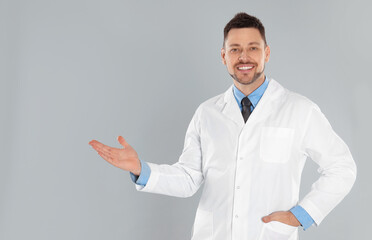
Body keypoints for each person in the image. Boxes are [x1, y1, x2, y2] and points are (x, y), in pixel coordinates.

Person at [89, 12, 357, 240]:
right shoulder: (207, 113)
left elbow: (342, 167)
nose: (244, 57)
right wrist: (140, 169)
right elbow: (188, 178)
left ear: (266, 53)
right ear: (223, 56)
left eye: (253, 48)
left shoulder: (300, 110)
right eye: (235, 49)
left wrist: (302, 214)